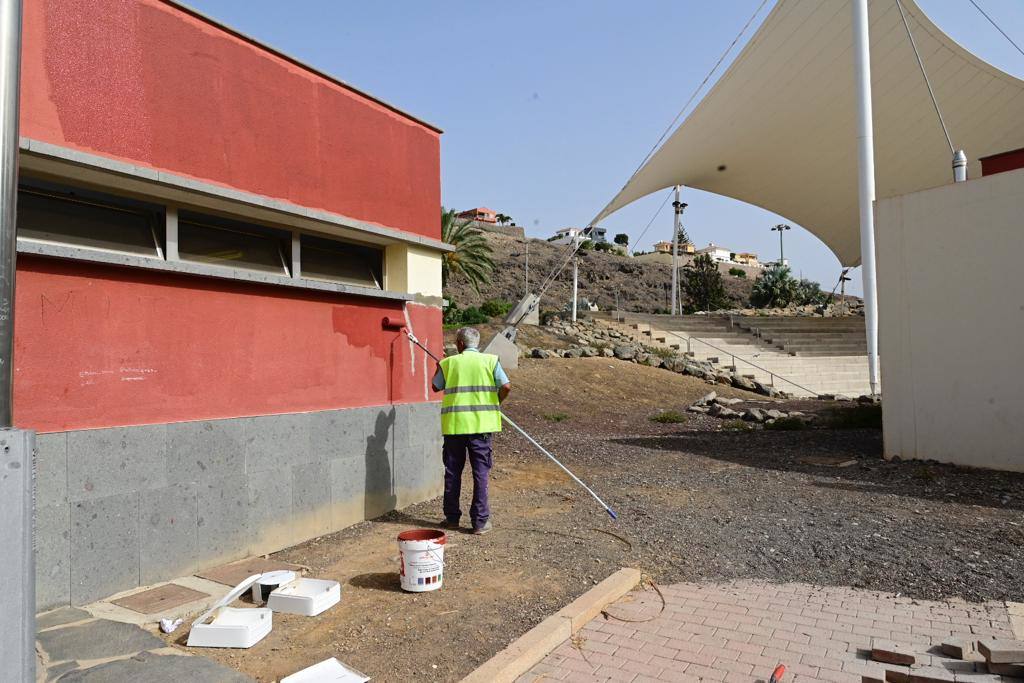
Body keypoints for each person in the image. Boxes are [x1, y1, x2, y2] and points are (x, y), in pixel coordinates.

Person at [431, 327, 511, 535]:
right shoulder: (491, 361)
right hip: (481, 427)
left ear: (459, 343)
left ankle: (452, 519)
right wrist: (496, 401)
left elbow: (435, 386)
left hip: (455, 426)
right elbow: (506, 386)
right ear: (477, 344)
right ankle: (480, 522)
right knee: (481, 473)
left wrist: (438, 367)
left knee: (452, 473)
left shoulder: (448, 363)